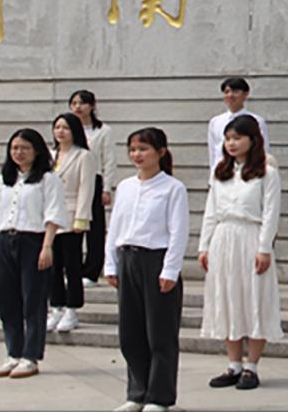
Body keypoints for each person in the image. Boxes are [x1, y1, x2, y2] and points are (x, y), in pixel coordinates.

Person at [105, 128, 190, 412]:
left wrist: (170, 270)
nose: (137, 155)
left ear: (160, 152)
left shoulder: (172, 188)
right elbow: (115, 227)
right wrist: (110, 263)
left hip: (157, 260)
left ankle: (159, 397)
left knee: (160, 333)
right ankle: (137, 393)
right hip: (127, 259)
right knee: (130, 332)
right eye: (133, 149)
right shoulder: (126, 187)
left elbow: (178, 232)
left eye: (143, 149)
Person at [198, 115, 283, 391]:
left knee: (255, 298)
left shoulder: (267, 172)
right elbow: (211, 211)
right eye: (228, 139)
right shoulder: (220, 172)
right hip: (223, 237)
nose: (231, 144)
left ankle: (251, 366)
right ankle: (233, 364)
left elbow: (270, 213)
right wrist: (204, 246)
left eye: (237, 138)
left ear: (252, 139)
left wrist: (264, 248)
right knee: (228, 297)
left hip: (251, 236)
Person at [0, 128, 68, 379]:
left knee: (33, 300)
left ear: (37, 151)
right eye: (15, 148)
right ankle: (13, 353)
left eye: (25, 148)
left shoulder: (48, 179)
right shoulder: (5, 179)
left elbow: (53, 214)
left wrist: (47, 246)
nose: (19, 153)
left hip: (33, 241)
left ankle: (30, 356)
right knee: (7, 301)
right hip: (5, 241)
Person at [46, 113, 98, 333]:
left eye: (65, 128)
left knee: (72, 265)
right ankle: (56, 307)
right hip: (50, 216)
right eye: (57, 127)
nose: (60, 132)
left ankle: (72, 309)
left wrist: (81, 219)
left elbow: (86, 189)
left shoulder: (84, 156)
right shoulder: (49, 155)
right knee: (52, 265)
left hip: (71, 214)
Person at [68, 90, 118, 287]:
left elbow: (109, 160)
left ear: (92, 106)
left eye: (82, 103)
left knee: (95, 228)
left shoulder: (103, 131)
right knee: (71, 224)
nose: (78, 107)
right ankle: (72, 268)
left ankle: (92, 270)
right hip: (72, 179)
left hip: (94, 179)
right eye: (74, 103)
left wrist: (107, 188)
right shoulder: (68, 129)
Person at [207, 77, 270, 174]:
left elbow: (263, 149)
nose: (230, 95)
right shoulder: (215, 122)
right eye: (226, 92)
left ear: (246, 94)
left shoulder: (256, 121)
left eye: (235, 91)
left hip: (248, 172)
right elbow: (213, 152)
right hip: (222, 173)